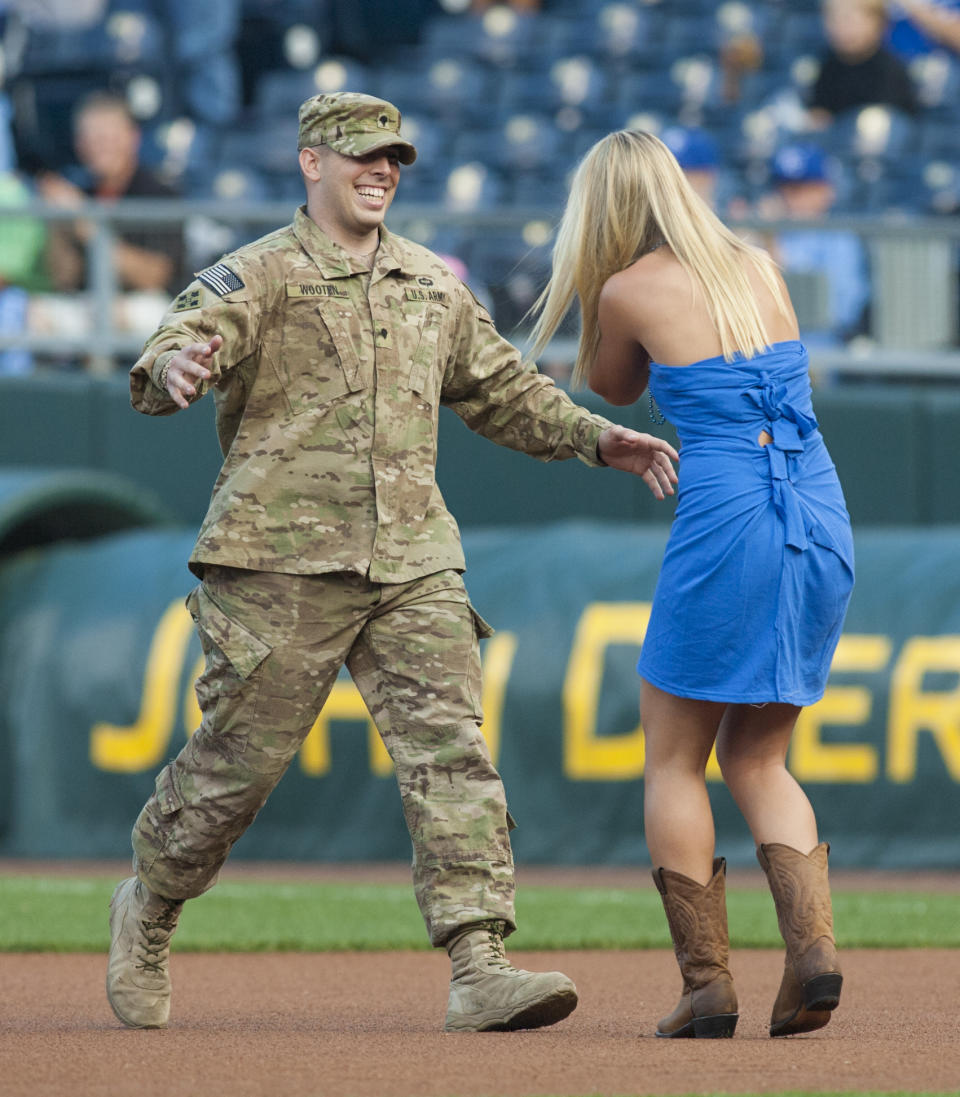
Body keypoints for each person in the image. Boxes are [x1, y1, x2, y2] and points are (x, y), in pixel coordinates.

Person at [106, 92, 679, 1035]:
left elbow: (500, 389)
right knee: (234, 774)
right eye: (362, 155)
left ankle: (478, 963)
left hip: (413, 558)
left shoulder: (429, 280)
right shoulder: (260, 274)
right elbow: (175, 345)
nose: (381, 171)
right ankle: (151, 905)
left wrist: (595, 438)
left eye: (395, 159)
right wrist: (176, 369)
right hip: (279, 564)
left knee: (452, 753)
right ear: (310, 163)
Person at [528, 130, 853, 1040]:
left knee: (675, 754)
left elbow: (611, 388)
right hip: (819, 508)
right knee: (759, 756)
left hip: (729, 513)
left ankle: (708, 984)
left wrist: (599, 286)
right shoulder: (760, 263)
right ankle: (813, 951)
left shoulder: (626, 290)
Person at [36, 91, 185, 296]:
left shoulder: (159, 194)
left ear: (133, 137)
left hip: (155, 313)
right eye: (92, 138)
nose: (100, 147)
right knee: (37, 313)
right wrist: (58, 223)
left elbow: (155, 277)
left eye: (109, 137)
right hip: (90, 306)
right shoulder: (81, 192)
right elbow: (64, 280)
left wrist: (86, 225)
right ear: (79, 144)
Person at [763, 142, 871, 347]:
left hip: (818, 348)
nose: (790, 197)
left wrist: (773, 246)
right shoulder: (762, 231)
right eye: (784, 188)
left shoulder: (839, 238)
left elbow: (841, 312)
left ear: (827, 191)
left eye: (803, 189)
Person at [807, 0, 919, 127]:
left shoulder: (890, 70)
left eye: (849, 20)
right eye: (833, 19)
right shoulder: (826, 64)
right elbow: (818, 112)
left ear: (877, 22)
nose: (839, 28)